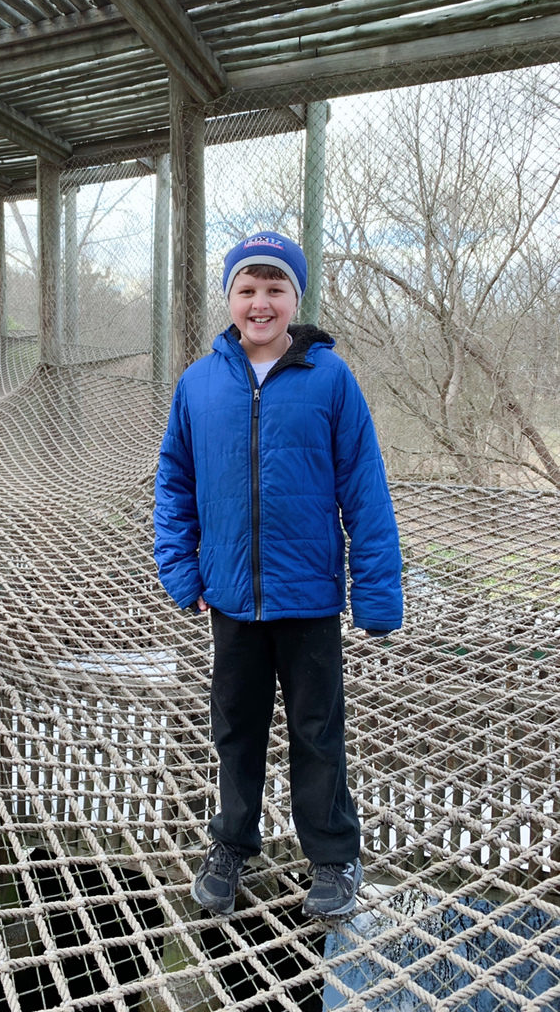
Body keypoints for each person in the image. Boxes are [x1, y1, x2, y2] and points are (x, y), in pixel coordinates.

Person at [153, 231, 403, 918]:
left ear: (294, 298)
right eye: (246, 288)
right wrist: (181, 571)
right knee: (235, 726)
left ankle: (332, 856)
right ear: (229, 299)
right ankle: (231, 844)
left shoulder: (329, 379)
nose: (259, 302)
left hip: (309, 594)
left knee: (316, 728)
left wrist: (376, 592)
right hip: (229, 594)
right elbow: (173, 483)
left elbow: (364, 489)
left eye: (274, 289)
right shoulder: (199, 384)